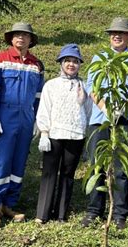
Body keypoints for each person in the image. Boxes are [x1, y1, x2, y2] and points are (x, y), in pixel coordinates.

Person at [81, 17, 128, 231]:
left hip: (125, 119)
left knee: (121, 167)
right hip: (100, 120)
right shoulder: (100, 58)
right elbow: (92, 86)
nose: (117, 36)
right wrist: (106, 109)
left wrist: (124, 107)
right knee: (97, 165)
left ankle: (120, 212)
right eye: (113, 33)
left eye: (121, 33)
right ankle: (94, 210)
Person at [0, 22, 44, 228]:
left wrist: (37, 119)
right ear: (11, 38)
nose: (21, 38)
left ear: (30, 40)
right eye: (17, 35)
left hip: (26, 119)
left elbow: (38, 95)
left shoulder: (36, 65)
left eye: (25, 35)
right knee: (0, 161)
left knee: (19, 163)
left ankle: (8, 204)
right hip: (5, 117)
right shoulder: (0, 60)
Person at [35, 44, 92, 224]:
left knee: (68, 174)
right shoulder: (51, 85)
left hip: (76, 135)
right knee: (49, 172)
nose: (71, 65)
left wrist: (86, 132)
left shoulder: (84, 86)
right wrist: (44, 132)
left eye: (75, 61)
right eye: (67, 61)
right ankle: (42, 214)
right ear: (61, 63)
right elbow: (44, 108)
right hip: (54, 134)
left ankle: (61, 214)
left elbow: (89, 112)